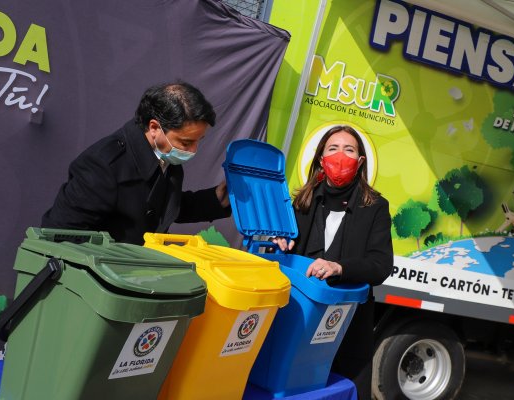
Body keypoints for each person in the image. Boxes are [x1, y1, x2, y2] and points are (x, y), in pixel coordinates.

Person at [273, 125, 393, 399]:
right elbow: (288, 248)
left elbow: (381, 264)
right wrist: (280, 242)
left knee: (343, 390)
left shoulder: (374, 206)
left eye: (349, 150)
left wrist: (340, 267)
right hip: (302, 319)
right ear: (320, 158)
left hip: (349, 319)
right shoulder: (302, 202)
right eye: (333, 148)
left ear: (360, 161)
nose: (341, 155)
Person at [41, 81, 231, 244]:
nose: (193, 150)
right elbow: (61, 236)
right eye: (186, 142)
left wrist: (218, 198)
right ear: (154, 127)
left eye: (199, 141)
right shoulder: (103, 165)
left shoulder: (164, 156)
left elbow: (162, 207)